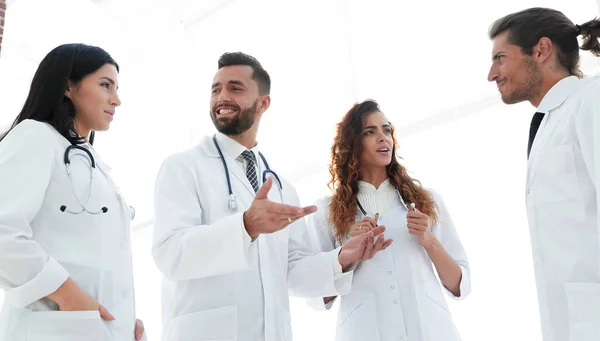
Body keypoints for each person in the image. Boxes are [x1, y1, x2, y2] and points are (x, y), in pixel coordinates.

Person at [152, 52, 392, 341]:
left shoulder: (280, 186)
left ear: (263, 103)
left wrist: (341, 258)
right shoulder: (183, 167)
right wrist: (245, 226)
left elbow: (294, 269)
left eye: (235, 88)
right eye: (216, 89)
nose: (221, 97)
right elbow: (169, 254)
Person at [0, 43, 145, 341]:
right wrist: (71, 298)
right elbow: (3, 232)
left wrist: (124, 316)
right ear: (68, 86)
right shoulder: (36, 136)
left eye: (116, 88)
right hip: (55, 328)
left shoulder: (91, 163)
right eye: (105, 85)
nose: (116, 100)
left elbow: (93, 259)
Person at [305, 100, 471, 341]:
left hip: (430, 331)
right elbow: (316, 297)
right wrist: (348, 255)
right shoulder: (327, 211)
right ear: (352, 144)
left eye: (386, 130)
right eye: (370, 132)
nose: (383, 138)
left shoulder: (427, 201)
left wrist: (429, 241)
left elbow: (460, 285)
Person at [487, 7, 600, 341]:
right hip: (568, 323)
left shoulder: (591, 100)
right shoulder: (549, 123)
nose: (491, 73)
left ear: (541, 50)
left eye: (500, 58)